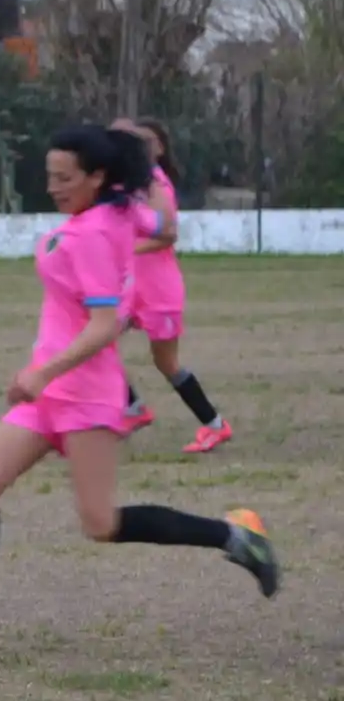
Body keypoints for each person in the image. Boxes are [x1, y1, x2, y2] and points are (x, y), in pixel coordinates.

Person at [0, 125, 278, 663]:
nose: (53, 187)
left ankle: (234, 535)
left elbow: (104, 326)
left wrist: (41, 374)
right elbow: (163, 223)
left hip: (84, 396)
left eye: (65, 178)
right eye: (50, 176)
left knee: (101, 523)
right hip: (49, 393)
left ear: (97, 177)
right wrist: (147, 176)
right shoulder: (119, 211)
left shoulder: (94, 233)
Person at [115, 117, 231, 453]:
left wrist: (125, 248)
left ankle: (215, 425)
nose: (140, 147)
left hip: (158, 289)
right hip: (132, 287)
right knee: (95, 343)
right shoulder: (130, 182)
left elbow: (167, 235)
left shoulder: (157, 184)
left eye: (147, 141)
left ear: (160, 149)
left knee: (167, 363)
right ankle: (133, 408)